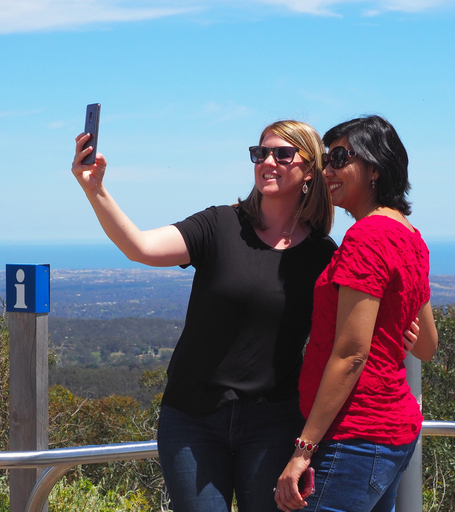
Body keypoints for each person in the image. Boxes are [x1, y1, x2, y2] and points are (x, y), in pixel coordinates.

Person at [71, 119, 337, 512]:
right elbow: (140, 246)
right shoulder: (221, 225)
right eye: (260, 153)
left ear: (309, 169)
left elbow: (344, 336)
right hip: (192, 418)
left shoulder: (321, 255)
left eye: (282, 154)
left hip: (273, 422)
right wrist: (95, 189)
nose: (268, 161)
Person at [274, 115, 439, 512]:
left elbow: (351, 355)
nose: (327, 170)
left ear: (375, 169)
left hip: (354, 436)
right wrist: (392, 327)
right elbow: (429, 345)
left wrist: (303, 450)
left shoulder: (366, 238)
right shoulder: (409, 236)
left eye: (339, 158)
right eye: (326, 160)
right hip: (392, 433)